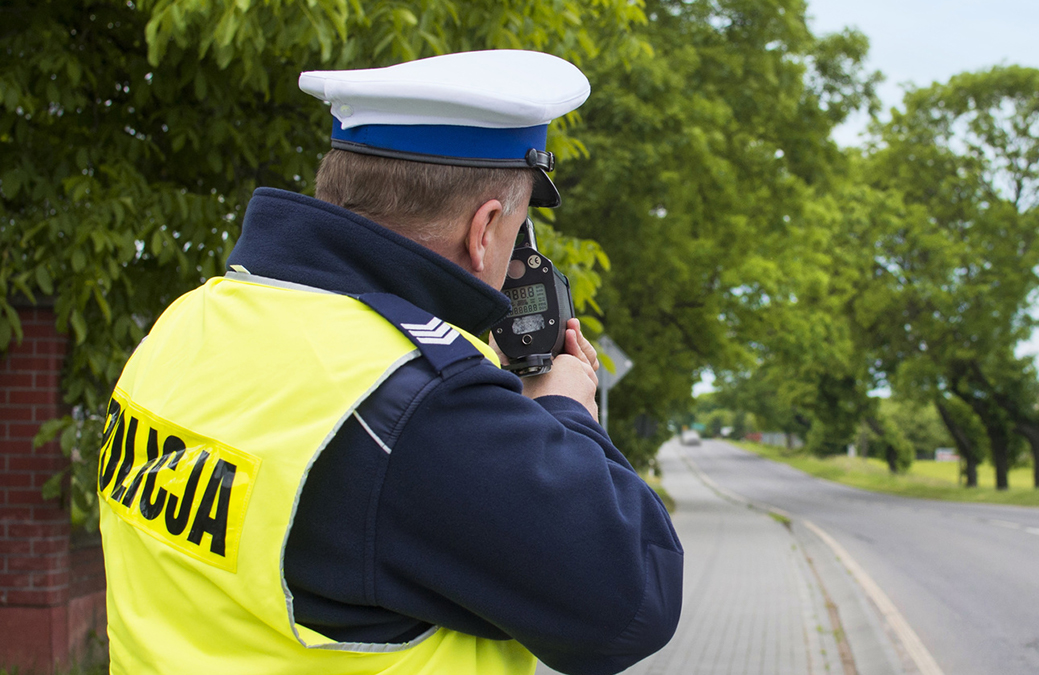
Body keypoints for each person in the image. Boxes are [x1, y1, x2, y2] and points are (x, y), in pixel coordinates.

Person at [96, 50, 683, 675]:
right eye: (517, 230)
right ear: (485, 228)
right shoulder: (418, 401)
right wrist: (565, 410)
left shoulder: (193, 318)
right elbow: (632, 603)